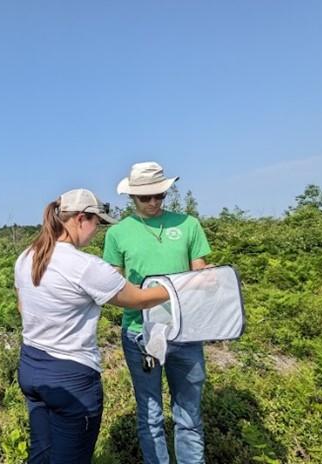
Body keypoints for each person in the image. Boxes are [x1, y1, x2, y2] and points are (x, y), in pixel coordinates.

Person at [15, 188, 170, 463]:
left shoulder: (27, 256)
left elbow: (22, 307)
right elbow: (140, 300)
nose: (97, 231)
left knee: (41, 451)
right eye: (97, 223)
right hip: (71, 376)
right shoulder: (84, 266)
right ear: (80, 219)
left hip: (31, 366)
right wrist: (177, 288)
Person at [103, 162, 211, 464]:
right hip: (140, 333)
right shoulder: (118, 233)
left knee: (189, 414)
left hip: (186, 331)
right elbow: (113, 283)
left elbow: (199, 272)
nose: (153, 203)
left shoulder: (188, 224)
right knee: (150, 414)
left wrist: (209, 279)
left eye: (159, 196)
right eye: (145, 198)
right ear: (132, 198)